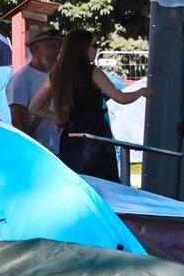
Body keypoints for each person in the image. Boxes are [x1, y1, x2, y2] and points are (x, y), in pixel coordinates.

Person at [29, 28, 149, 181]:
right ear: (84, 48)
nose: (96, 49)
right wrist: (141, 92)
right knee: (103, 182)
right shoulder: (92, 72)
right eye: (95, 45)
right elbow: (120, 97)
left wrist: (59, 117)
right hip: (94, 136)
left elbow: (34, 107)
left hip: (70, 137)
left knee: (77, 183)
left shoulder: (57, 74)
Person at [6, 29, 64, 152]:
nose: (57, 51)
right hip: (40, 154)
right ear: (36, 50)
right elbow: (18, 123)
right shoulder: (21, 79)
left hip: (59, 150)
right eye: (52, 46)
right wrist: (33, 151)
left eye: (59, 47)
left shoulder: (56, 76)